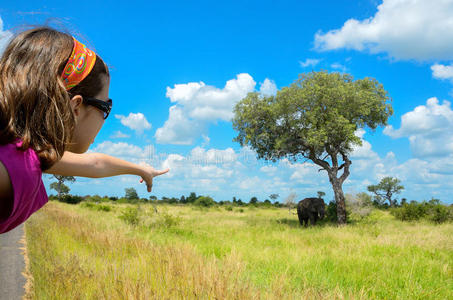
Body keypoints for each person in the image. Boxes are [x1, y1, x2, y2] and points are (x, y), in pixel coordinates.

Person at [0, 26, 169, 234]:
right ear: (76, 106)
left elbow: (94, 163)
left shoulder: (24, 151)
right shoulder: (16, 166)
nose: (106, 118)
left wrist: (141, 169)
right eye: (105, 107)